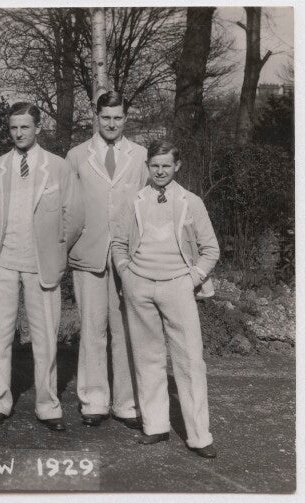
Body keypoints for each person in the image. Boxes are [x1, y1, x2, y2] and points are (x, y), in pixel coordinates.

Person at [112, 139, 219, 458]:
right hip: (140, 285)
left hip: (178, 286)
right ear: (148, 166)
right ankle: (155, 425)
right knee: (147, 357)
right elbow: (118, 243)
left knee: (189, 360)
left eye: (166, 165)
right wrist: (127, 273)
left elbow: (211, 249)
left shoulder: (192, 202)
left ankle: (200, 435)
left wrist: (192, 279)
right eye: (155, 165)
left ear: (177, 166)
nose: (160, 171)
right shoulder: (134, 200)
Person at [0, 103, 84, 429]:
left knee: (45, 337)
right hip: (3, 262)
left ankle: (48, 405)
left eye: (25, 127)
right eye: (14, 128)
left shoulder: (57, 168)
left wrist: (56, 248)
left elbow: (75, 216)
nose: (19, 133)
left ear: (38, 128)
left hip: (42, 264)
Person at [66, 91, 146, 429]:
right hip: (89, 252)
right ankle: (94, 399)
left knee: (126, 328)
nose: (111, 124)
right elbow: (68, 208)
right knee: (93, 329)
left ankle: (126, 402)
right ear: (95, 116)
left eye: (118, 118)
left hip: (129, 257)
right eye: (105, 117)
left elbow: (145, 207)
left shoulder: (141, 155)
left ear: (126, 118)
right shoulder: (76, 156)